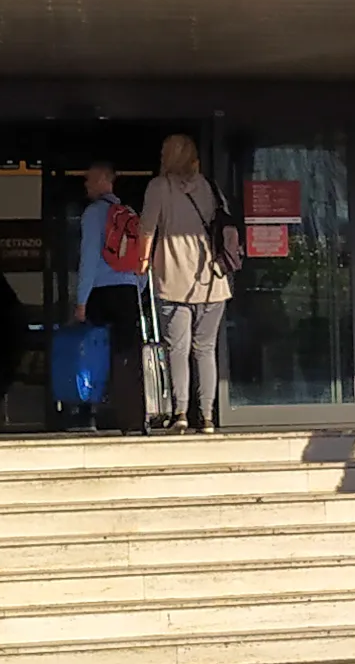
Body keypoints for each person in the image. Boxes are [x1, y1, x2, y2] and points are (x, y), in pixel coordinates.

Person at [143, 132, 238, 437]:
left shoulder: (159, 187)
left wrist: (141, 264)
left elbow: (147, 230)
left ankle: (181, 413)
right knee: (205, 350)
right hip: (213, 281)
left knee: (178, 349)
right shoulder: (210, 187)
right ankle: (207, 416)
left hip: (174, 281)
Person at [69, 160, 148, 434]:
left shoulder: (93, 214)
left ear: (105, 179)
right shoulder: (129, 213)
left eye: (90, 179)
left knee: (96, 353)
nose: (86, 185)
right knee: (126, 355)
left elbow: (89, 258)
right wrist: (138, 288)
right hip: (128, 291)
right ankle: (131, 417)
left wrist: (81, 301)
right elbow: (142, 258)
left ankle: (94, 412)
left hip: (101, 293)